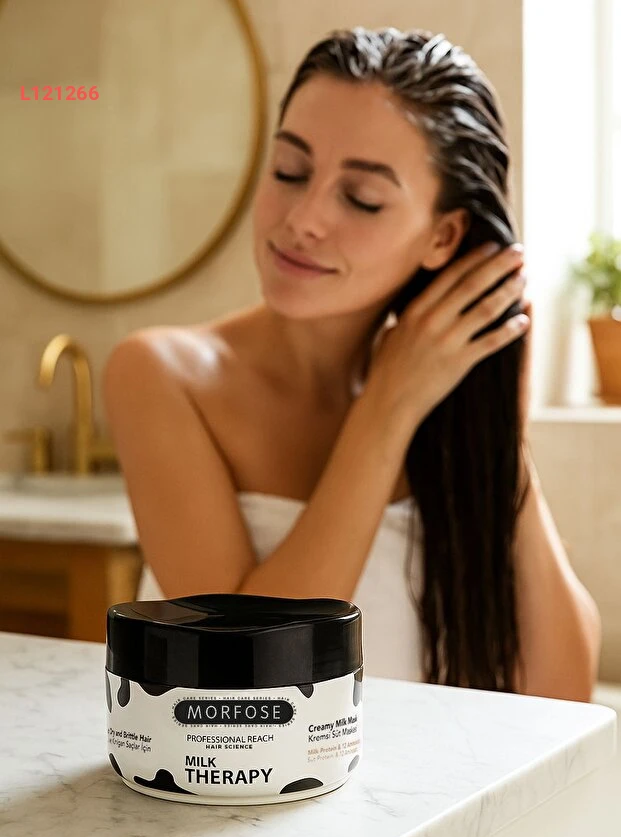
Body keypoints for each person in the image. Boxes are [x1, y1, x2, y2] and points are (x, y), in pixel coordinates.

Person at [103, 27, 601, 699]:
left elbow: (560, 695)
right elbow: (241, 678)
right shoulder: (161, 375)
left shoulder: (443, 387)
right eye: (289, 170)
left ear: (443, 235)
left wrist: (498, 431)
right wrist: (387, 407)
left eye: (360, 198)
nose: (303, 218)